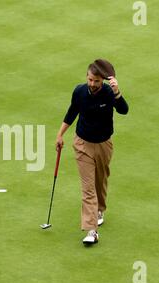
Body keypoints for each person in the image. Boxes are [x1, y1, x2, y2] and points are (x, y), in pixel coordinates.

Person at [55, 59, 129, 245]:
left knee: (100, 180)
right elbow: (72, 112)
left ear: (102, 80)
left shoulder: (108, 93)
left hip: (104, 144)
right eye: (90, 79)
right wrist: (60, 134)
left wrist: (117, 92)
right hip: (82, 144)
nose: (92, 84)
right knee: (88, 188)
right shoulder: (79, 91)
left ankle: (100, 209)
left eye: (96, 81)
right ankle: (91, 230)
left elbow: (124, 110)